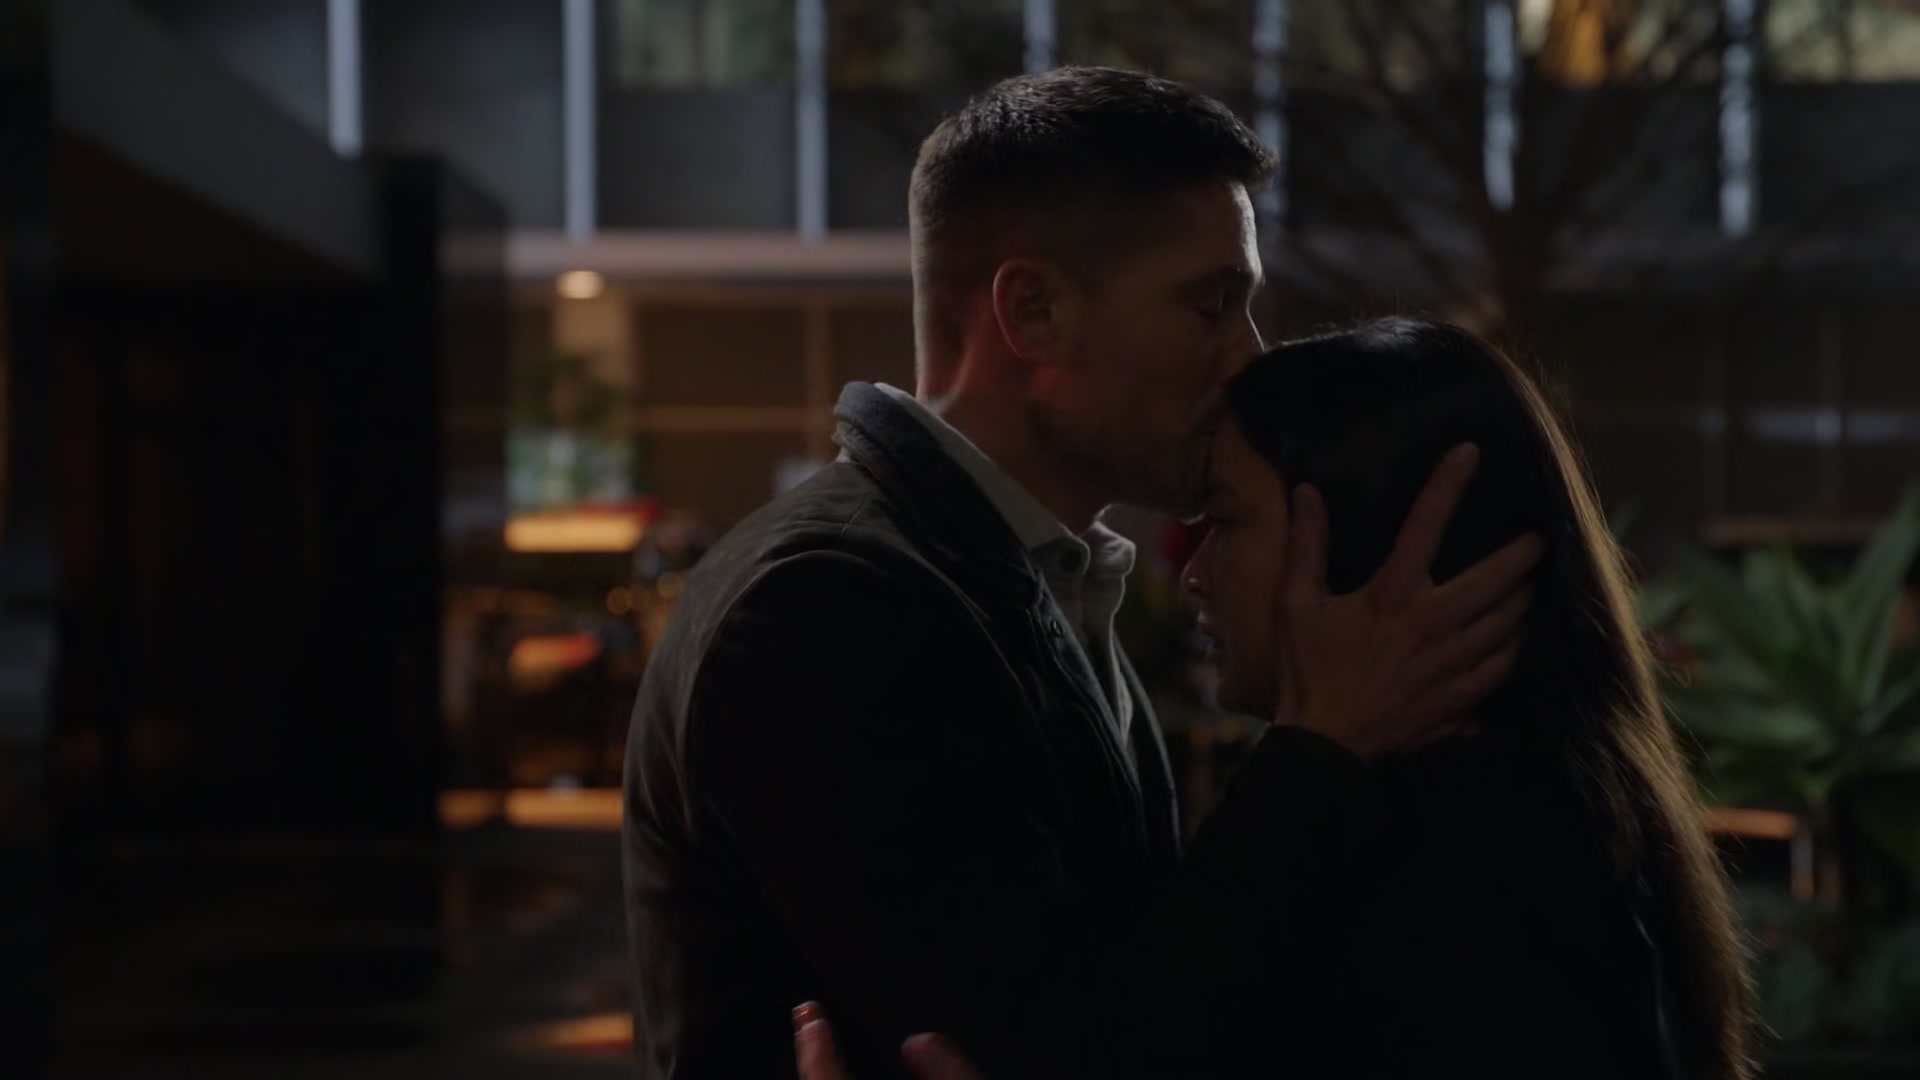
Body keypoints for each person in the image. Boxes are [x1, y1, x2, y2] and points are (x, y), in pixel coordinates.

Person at [621, 68, 1539, 1079]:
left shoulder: (1023, 576)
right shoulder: (829, 608)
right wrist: (1322, 753)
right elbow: (1065, 1051)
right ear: (1036, 311)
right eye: (1212, 305)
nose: (1249, 357)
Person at [793, 319, 1758, 1080]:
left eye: (1229, 522)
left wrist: (1309, 761)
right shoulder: (1502, 809)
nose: (1196, 574)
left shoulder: (1477, 868)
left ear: (1369, 551)